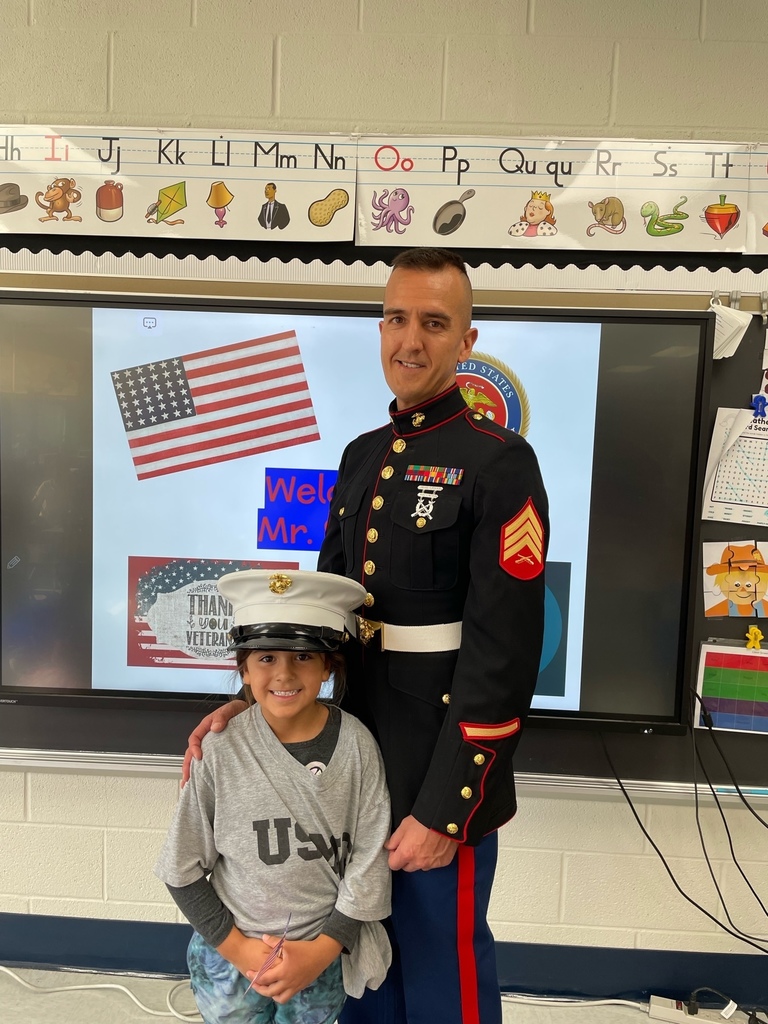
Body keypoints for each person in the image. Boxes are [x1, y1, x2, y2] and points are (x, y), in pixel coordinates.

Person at [184, 247, 549, 1024]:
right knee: (364, 980)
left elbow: (504, 655)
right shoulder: (362, 458)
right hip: (349, 763)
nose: (409, 340)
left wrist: (448, 808)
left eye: (433, 323)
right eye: (395, 318)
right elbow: (319, 627)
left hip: (430, 771)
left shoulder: (500, 463)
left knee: (439, 981)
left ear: (466, 340)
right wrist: (250, 709)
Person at [159, 568, 392, 1024]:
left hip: (320, 958)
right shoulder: (221, 750)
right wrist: (240, 949)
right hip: (230, 961)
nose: (284, 673)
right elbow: (180, 868)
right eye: (266, 657)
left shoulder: (359, 746)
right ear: (243, 667)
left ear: (329, 665)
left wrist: (320, 952)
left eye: (303, 656)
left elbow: (368, 861)